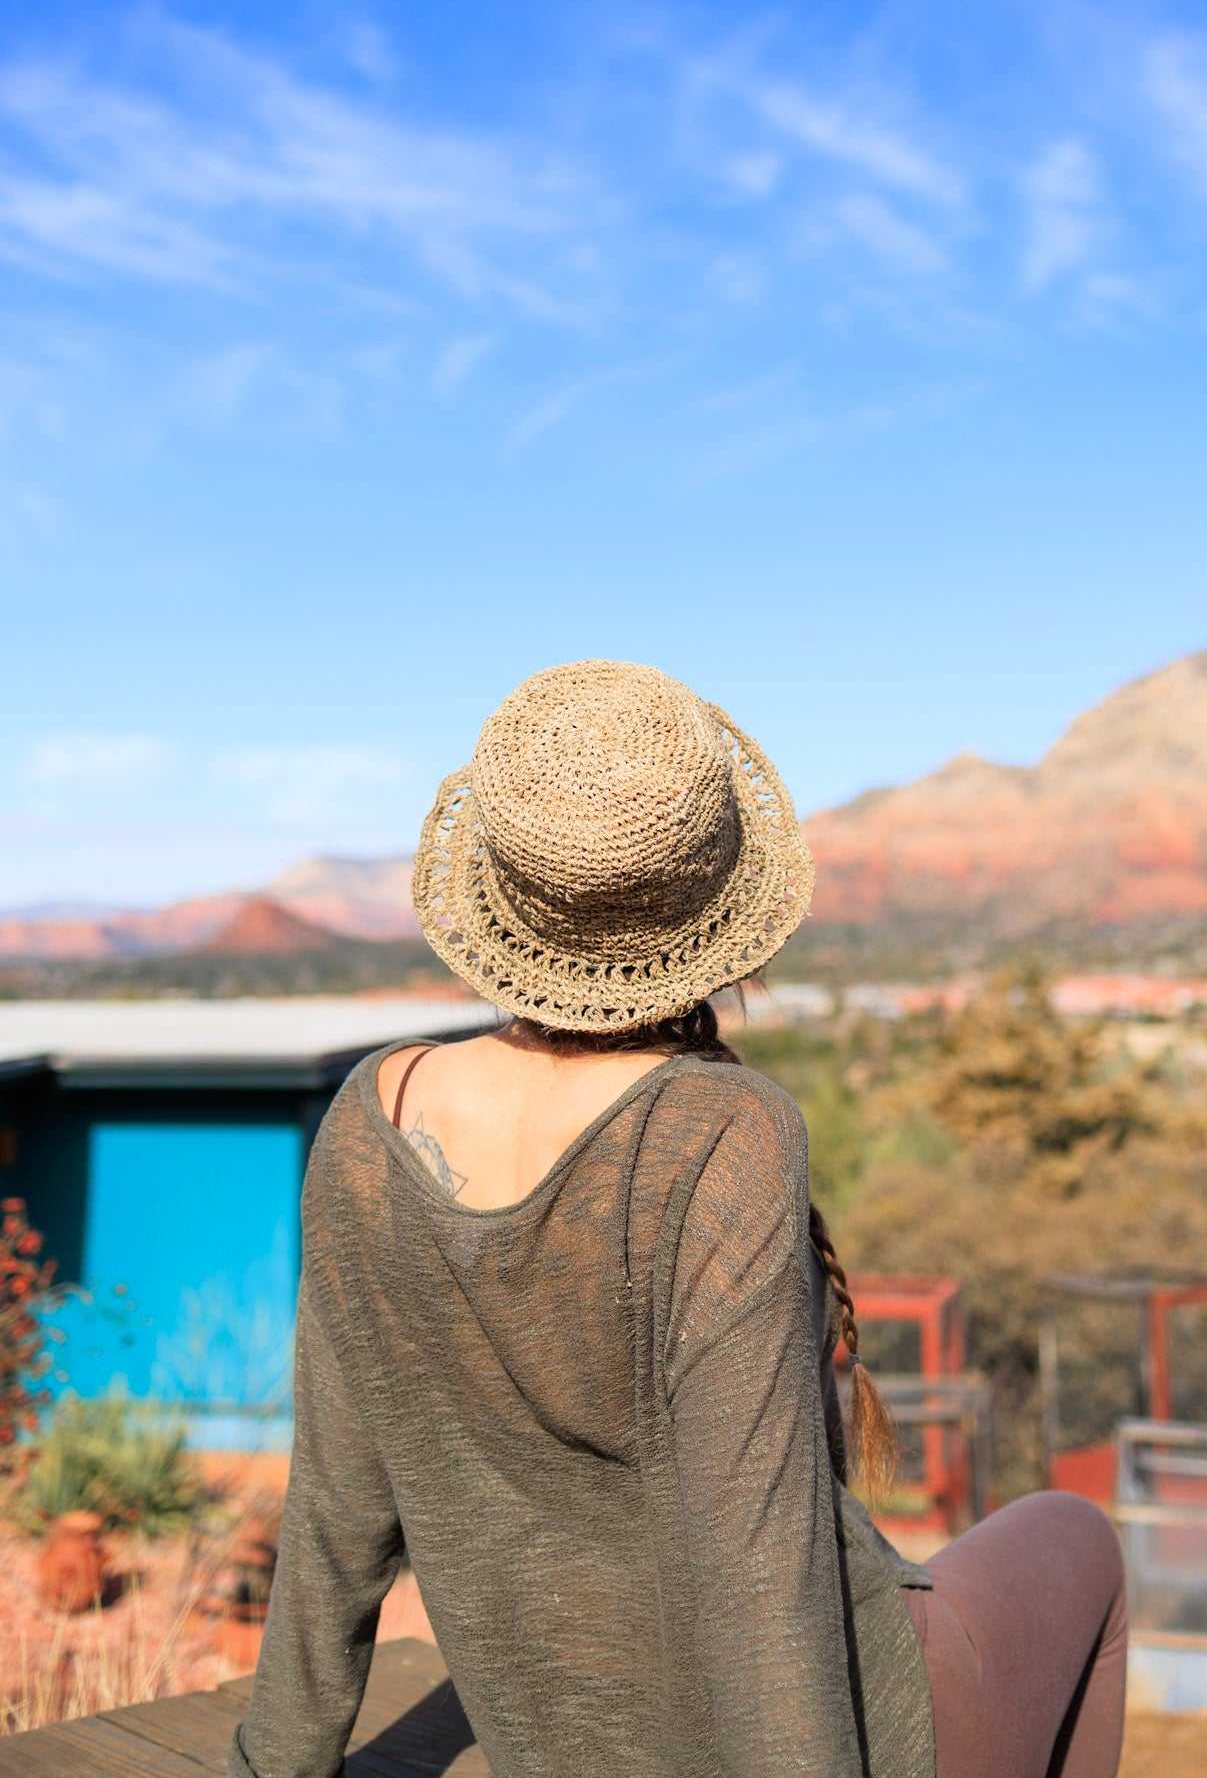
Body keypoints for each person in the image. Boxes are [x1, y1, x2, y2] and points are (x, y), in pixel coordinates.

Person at [227, 659, 1127, 1778]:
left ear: (506, 894)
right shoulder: (723, 1130)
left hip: (549, 1738)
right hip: (839, 1724)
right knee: (1079, 1538)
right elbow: (762, 1569)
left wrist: (276, 1763)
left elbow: (337, 1511)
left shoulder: (370, 1119)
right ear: (713, 908)